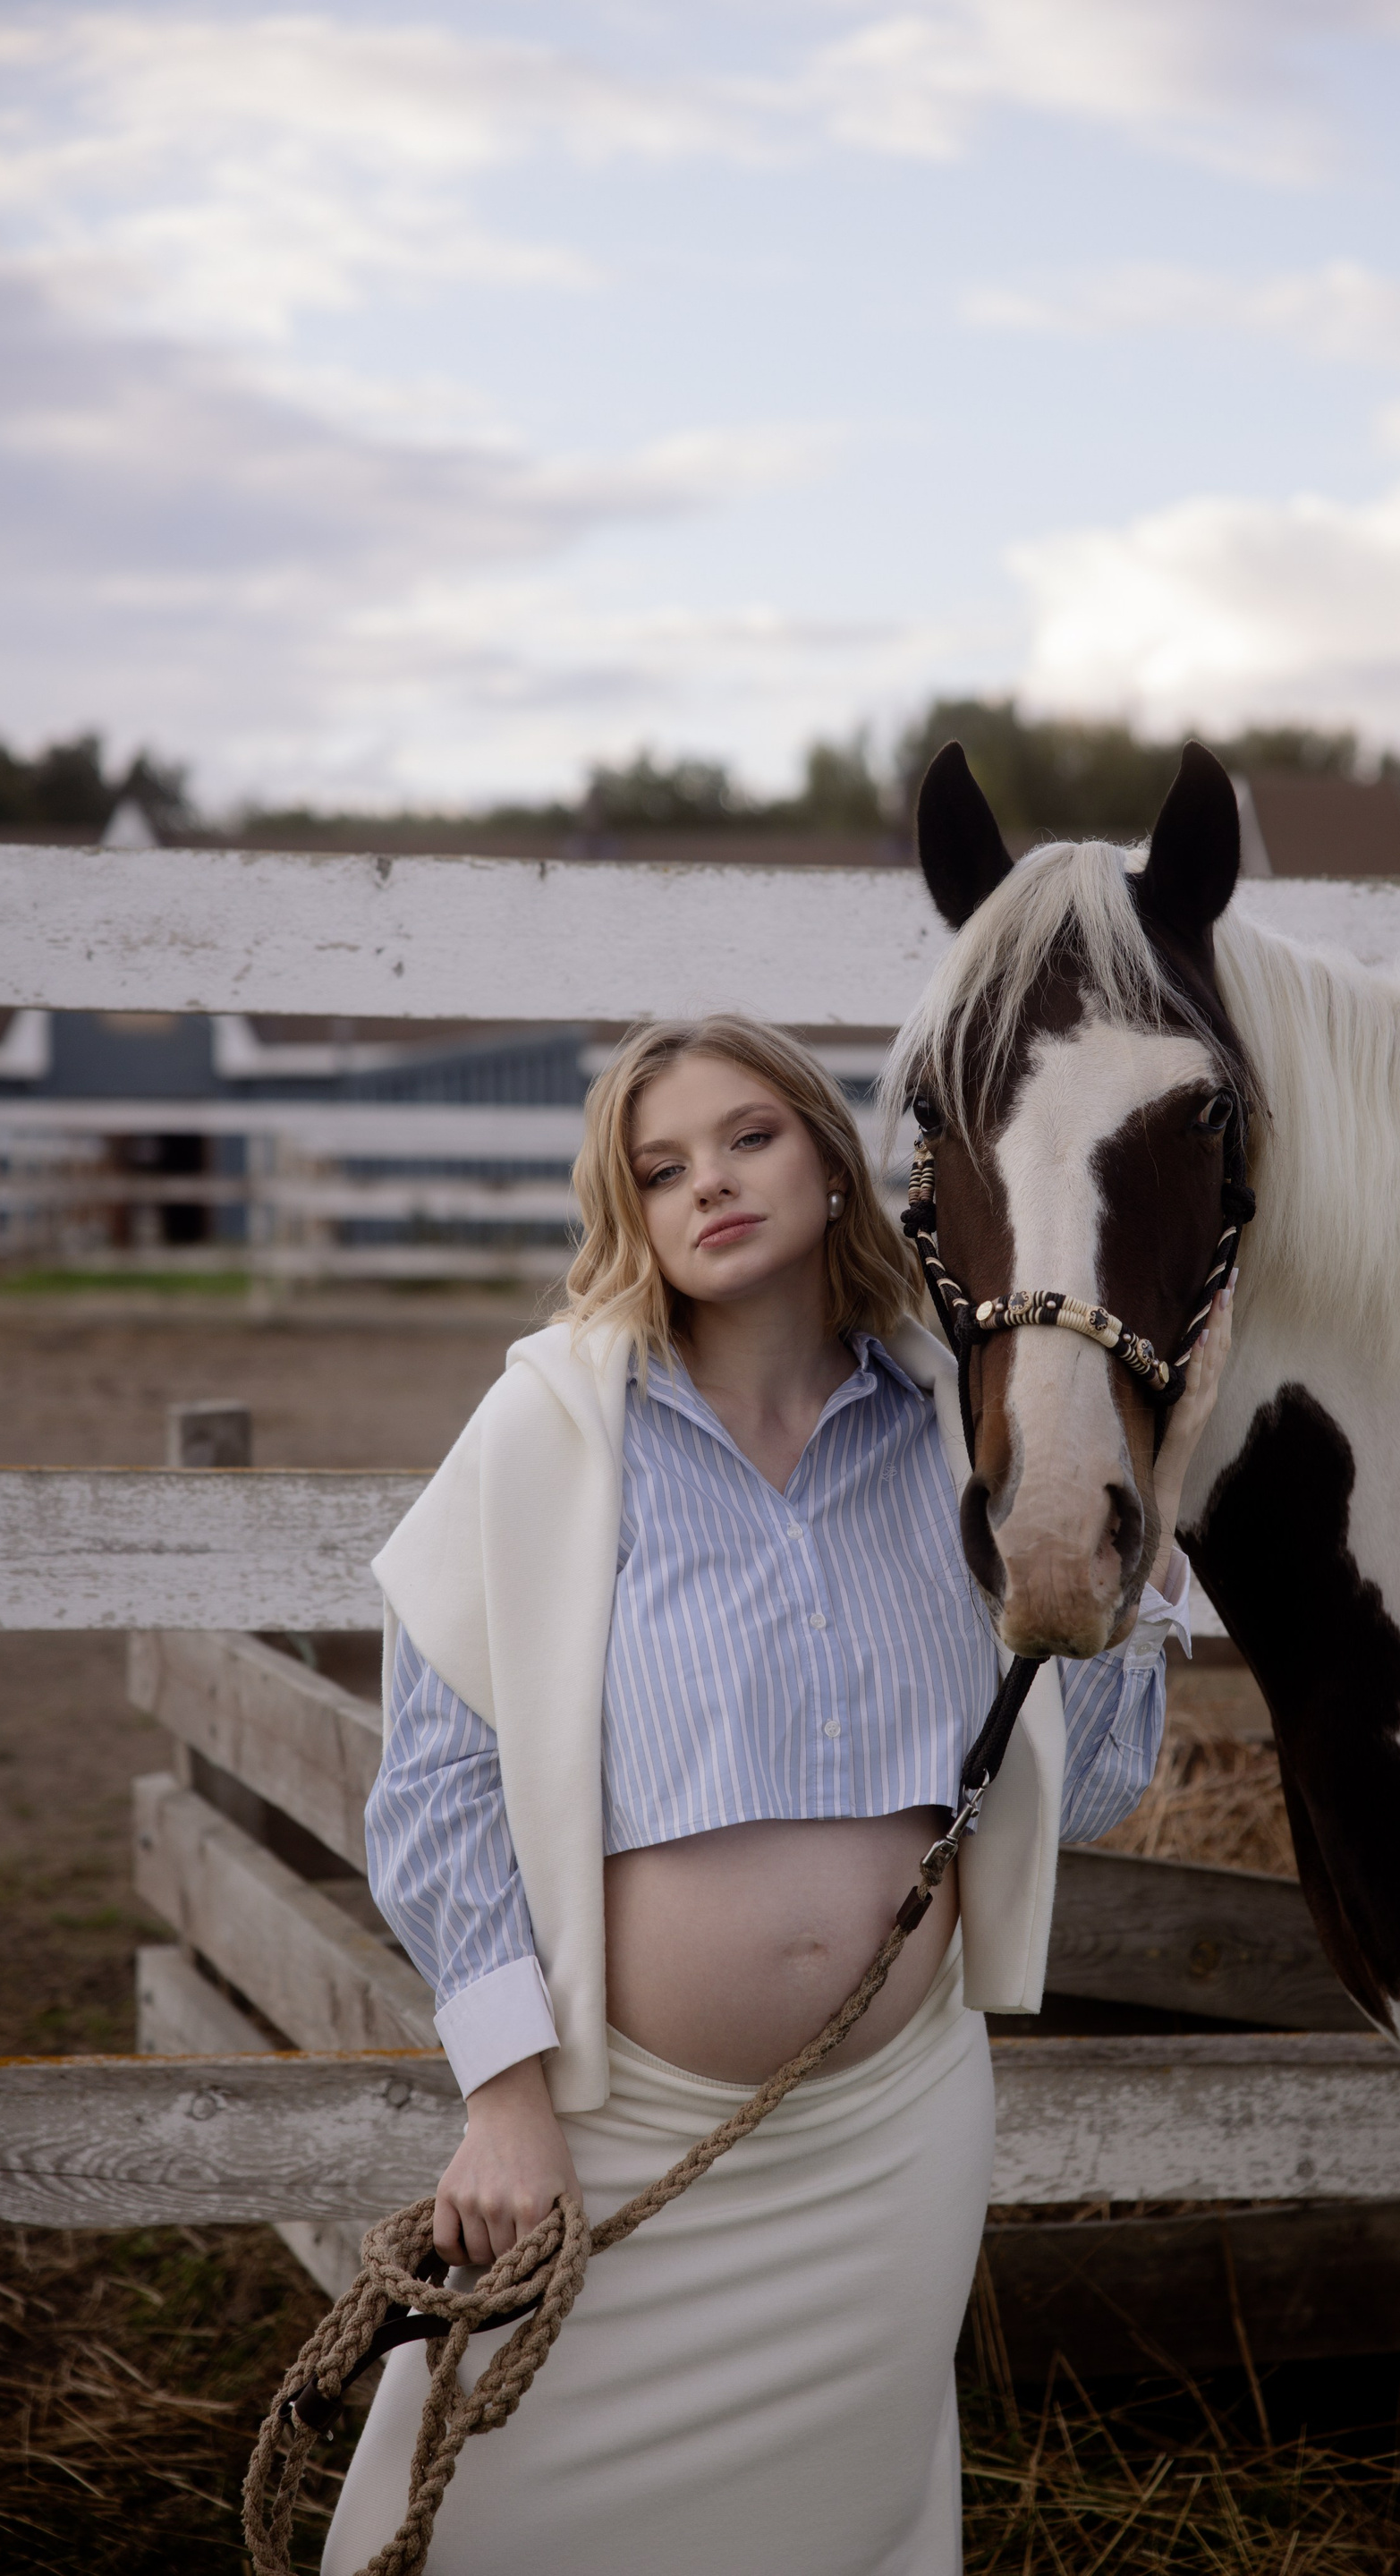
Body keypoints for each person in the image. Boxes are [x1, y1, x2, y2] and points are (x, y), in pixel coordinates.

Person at [321, 1012, 1232, 2576]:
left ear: (830, 1159)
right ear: (628, 1209)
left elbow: (1077, 1794)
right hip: (618, 2125)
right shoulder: (550, 1429)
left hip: (890, 2139)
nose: (712, 1184)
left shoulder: (957, 1432)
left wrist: (1138, 1546)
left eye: (748, 1138)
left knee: (841, 2531)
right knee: (500, 2523)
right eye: (660, 1167)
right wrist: (504, 2101)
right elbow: (435, 1792)